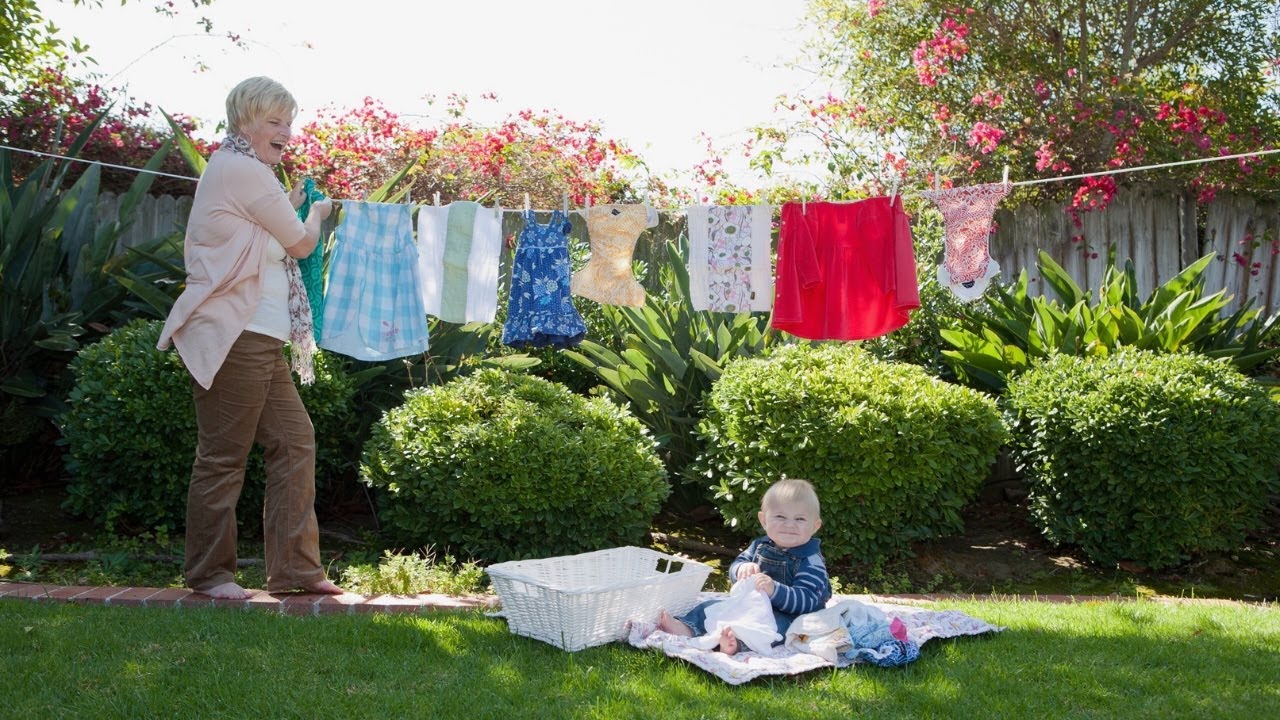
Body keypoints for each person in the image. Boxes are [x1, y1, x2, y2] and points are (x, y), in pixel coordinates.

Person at [157, 76, 342, 600]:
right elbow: (302, 244)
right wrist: (318, 214)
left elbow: (262, 234)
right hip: (237, 334)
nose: (286, 131)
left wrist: (290, 204)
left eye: (289, 121)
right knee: (222, 455)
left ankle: (295, 571)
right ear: (244, 121)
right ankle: (210, 574)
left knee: (293, 440)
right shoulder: (244, 170)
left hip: (261, 337)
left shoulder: (244, 171)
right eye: (274, 121)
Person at [658, 478, 832, 654]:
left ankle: (736, 643)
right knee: (713, 607)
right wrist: (742, 569)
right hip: (753, 605)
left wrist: (775, 590)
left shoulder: (810, 561)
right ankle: (687, 627)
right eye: (780, 516)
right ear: (763, 520)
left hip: (792, 615)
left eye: (800, 519)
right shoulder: (760, 546)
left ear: (815, 526)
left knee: (775, 629)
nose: (789, 524)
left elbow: (808, 600)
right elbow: (736, 566)